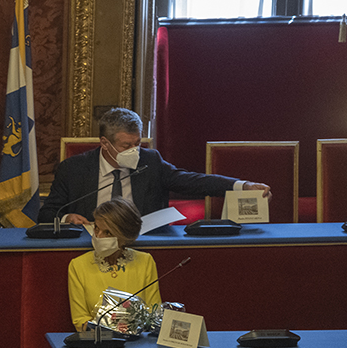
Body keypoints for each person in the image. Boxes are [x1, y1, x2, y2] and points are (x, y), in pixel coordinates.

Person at [40, 107, 271, 225]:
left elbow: (192, 181)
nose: (133, 151)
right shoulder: (73, 169)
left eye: (137, 144)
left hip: (144, 246)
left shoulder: (150, 161)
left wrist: (243, 186)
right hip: (90, 246)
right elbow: (47, 213)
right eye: (125, 146)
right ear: (104, 144)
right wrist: (67, 218)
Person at [67, 197, 161, 332]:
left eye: (108, 233)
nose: (98, 236)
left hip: (138, 343)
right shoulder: (78, 265)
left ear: (125, 237)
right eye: (96, 229)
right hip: (99, 344)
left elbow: (154, 314)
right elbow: (80, 321)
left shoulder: (145, 261)